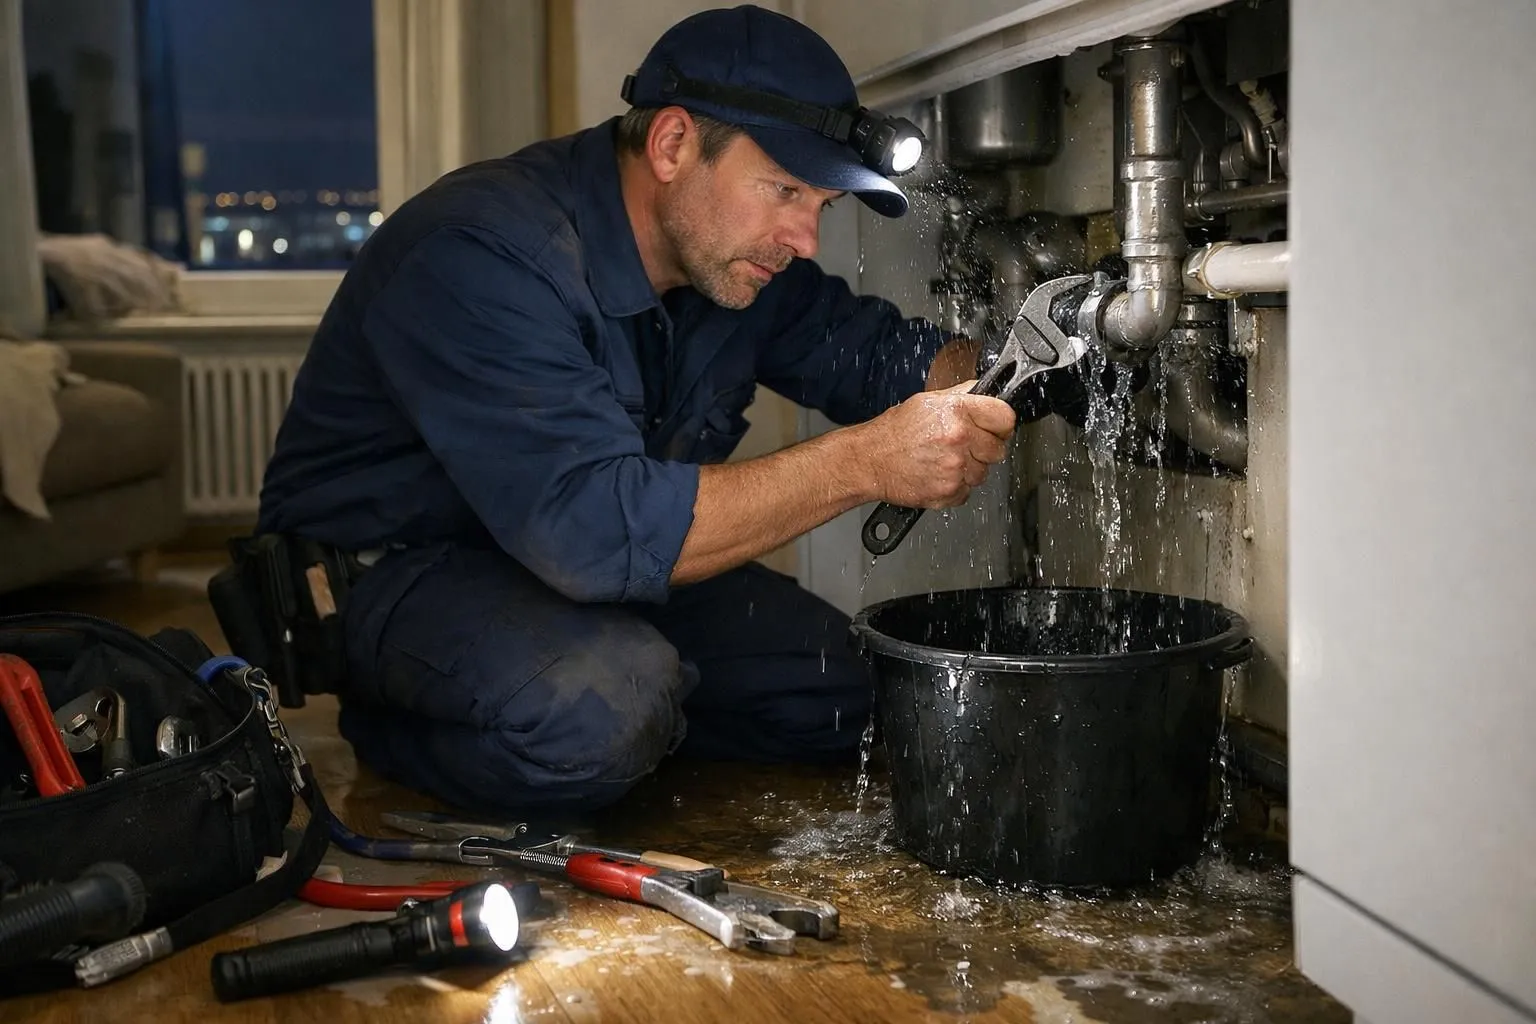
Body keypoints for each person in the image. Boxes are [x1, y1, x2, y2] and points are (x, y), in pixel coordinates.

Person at [253, 5, 1016, 812]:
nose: (804, 239)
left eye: (820, 205)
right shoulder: (482, 254)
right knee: (605, 713)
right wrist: (866, 462)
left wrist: (1025, 365)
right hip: (401, 573)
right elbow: (593, 532)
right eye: (785, 190)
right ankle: (406, 721)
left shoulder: (725, 260)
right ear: (672, 144)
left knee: (849, 693)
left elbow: (873, 353)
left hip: (580, 569)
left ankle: (627, 721)